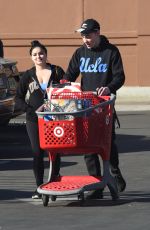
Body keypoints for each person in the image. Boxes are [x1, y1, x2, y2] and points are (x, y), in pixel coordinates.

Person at [64, 18, 126, 199]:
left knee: (108, 142)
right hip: (85, 106)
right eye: (83, 36)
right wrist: (62, 84)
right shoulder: (80, 53)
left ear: (97, 32)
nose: (85, 39)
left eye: (88, 35)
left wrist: (109, 88)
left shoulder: (111, 52)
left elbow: (120, 77)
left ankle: (114, 172)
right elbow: (70, 75)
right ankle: (96, 184)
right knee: (87, 145)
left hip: (104, 105)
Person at [15, 40, 65, 199]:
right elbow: (18, 98)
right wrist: (30, 110)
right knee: (37, 152)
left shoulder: (57, 71)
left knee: (54, 152)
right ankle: (39, 187)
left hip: (54, 119)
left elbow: (67, 90)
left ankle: (54, 183)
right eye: (35, 54)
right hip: (34, 120)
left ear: (46, 54)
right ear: (31, 57)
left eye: (41, 53)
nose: (39, 56)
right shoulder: (27, 76)